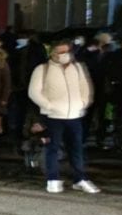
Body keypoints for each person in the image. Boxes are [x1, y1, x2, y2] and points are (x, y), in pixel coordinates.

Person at [28, 40, 99, 194]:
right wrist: (49, 106)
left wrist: (82, 103)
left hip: (75, 115)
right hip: (53, 116)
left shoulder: (78, 68)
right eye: (59, 52)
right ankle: (52, 178)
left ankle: (80, 179)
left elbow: (86, 88)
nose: (63, 55)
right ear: (52, 53)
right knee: (52, 148)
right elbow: (34, 92)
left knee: (76, 149)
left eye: (66, 51)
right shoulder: (43, 69)